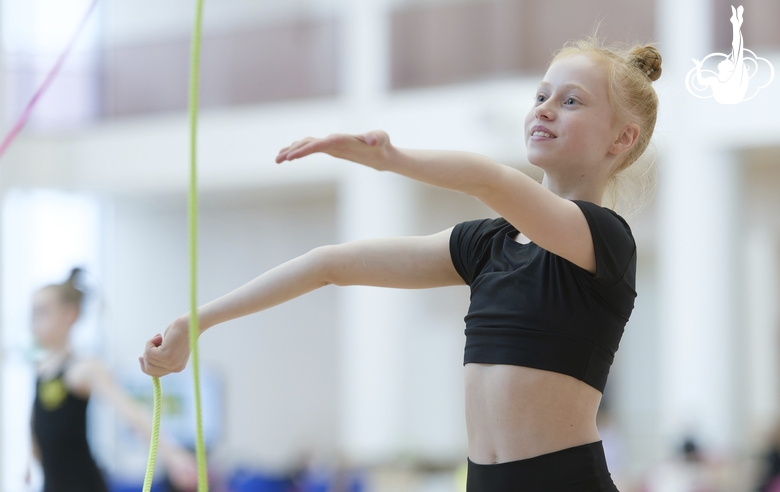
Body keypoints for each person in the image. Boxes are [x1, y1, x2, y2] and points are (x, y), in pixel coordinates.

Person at [140, 34, 662, 491]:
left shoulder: (604, 239)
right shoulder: (485, 247)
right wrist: (197, 321)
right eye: (541, 96)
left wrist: (393, 159)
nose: (545, 108)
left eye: (572, 101)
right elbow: (329, 265)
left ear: (621, 139)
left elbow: (491, 180)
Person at [28, 268, 198, 492]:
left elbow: (130, 411)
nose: (33, 323)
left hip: (84, 485)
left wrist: (173, 454)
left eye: (42, 313)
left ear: (70, 314)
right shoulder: (41, 370)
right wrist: (28, 463)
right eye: (32, 314)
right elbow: (37, 424)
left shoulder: (83, 369)